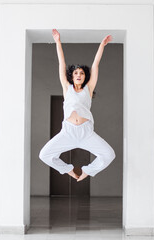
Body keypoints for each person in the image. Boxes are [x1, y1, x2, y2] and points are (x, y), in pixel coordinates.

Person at [39, 29, 116, 182]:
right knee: (44, 154)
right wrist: (58, 42)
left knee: (109, 154)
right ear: (72, 76)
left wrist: (102, 45)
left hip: (86, 133)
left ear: (85, 76)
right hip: (68, 132)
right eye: (76, 73)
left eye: (81, 73)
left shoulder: (89, 88)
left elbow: (95, 66)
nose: (79, 75)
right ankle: (67, 170)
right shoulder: (67, 88)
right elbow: (62, 63)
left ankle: (88, 171)